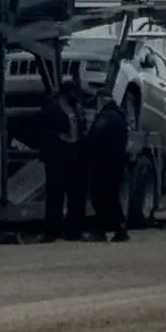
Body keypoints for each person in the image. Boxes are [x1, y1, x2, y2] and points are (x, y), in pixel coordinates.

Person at [38, 78, 86, 242]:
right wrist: (59, 137)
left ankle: (73, 231)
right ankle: (52, 230)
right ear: (65, 94)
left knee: (76, 194)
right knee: (55, 195)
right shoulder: (52, 108)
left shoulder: (77, 109)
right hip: (57, 155)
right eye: (72, 93)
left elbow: (82, 128)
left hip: (75, 154)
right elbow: (41, 130)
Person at [81, 87, 132, 242]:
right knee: (111, 198)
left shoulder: (106, 116)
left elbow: (94, 137)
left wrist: (84, 149)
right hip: (117, 163)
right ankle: (120, 229)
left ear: (102, 99)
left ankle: (100, 231)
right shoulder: (119, 115)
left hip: (104, 163)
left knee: (98, 197)